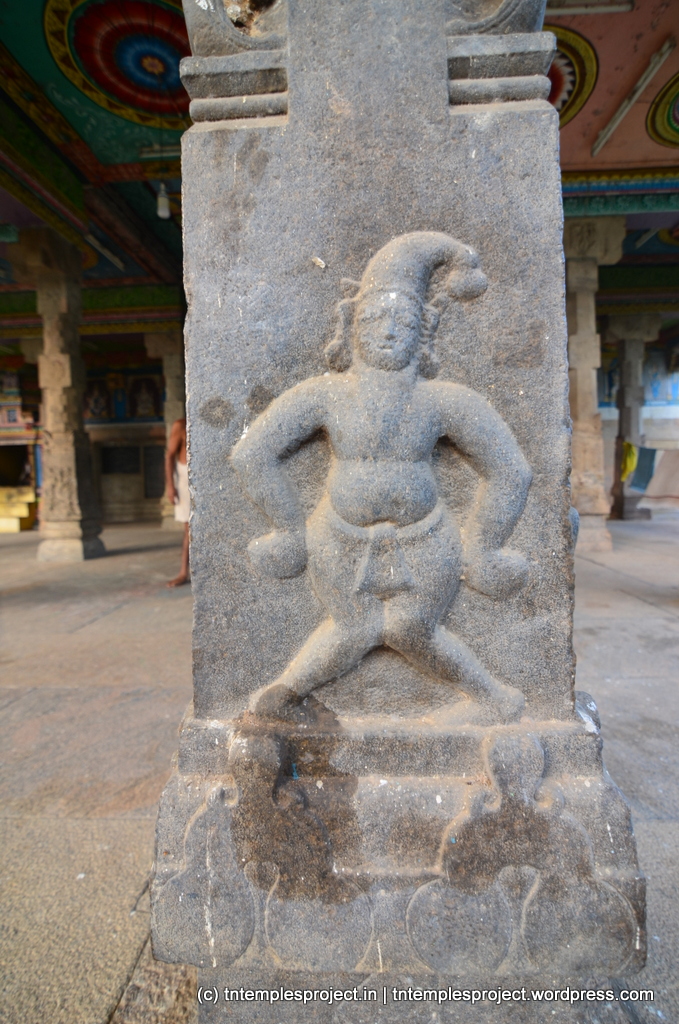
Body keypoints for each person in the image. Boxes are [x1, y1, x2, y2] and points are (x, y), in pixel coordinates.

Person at [232, 231, 532, 721]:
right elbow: (252, 454)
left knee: (411, 628)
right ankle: (285, 694)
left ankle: (494, 698)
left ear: (423, 331)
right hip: (338, 538)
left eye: (403, 321)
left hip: (427, 538)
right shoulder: (326, 395)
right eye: (373, 319)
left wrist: (483, 546)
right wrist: (287, 528)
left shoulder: (444, 401)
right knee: (353, 627)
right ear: (351, 327)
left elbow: (511, 470)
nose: (389, 331)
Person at [165, 417, 190, 587]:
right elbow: (169, 456)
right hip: (185, 479)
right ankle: (183, 572)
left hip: (207, 480)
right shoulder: (181, 425)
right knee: (189, 530)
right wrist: (170, 486)